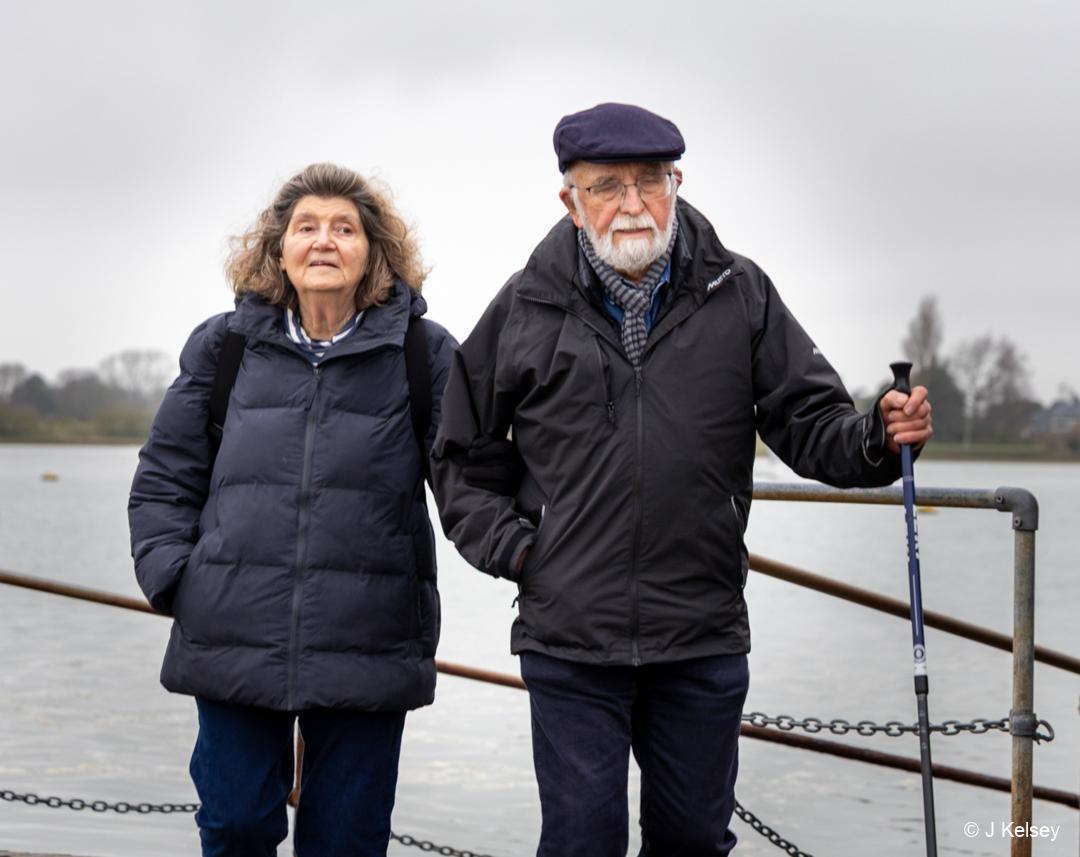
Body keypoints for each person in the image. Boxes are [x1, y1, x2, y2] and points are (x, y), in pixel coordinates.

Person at [431, 103, 933, 856]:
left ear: (677, 184)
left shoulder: (739, 291)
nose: (632, 203)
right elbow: (460, 451)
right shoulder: (527, 303)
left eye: (650, 181)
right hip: (571, 635)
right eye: (607, 186)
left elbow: (808, 421)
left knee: (693, 840)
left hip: (700, 629)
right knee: (581, 841)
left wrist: (876, 437)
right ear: (570, 201)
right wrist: (523, 550)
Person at [128, 162, 456, 857]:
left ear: (374, 251)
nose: (324, 241)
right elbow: (165, 475)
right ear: (278, 248)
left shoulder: (422, 353)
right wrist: (176, 578)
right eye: (306, 227)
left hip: (369, 638)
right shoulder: (224, 346)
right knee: (236, 824)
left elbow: (470, 477)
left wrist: (529, 550)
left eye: (344, 228)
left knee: (347, 841)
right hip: (233, 630)